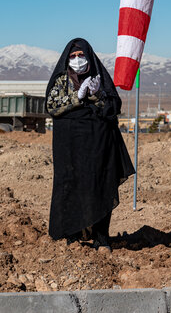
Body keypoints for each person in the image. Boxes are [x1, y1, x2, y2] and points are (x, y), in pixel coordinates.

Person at [46, 38, 135, 249]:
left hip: (98, 145)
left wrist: (97, 95)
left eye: (81, 55)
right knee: (71, 186)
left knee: (98, 185)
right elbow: (52, 106)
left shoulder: (99, 79)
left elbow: (113, 107)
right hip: (70, 147)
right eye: (73, 56)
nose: (77, 60)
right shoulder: (61, 81)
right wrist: (77, 97)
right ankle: (72, 234)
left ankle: (101, 236)